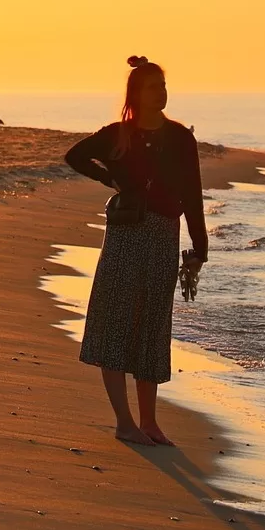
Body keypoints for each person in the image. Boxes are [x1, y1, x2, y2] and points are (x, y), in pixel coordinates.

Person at [63, 55, 209, 445]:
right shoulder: (118, 134)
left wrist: (199, 249)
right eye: (153, 87)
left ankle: (149, 422)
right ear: (137, 94)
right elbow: (75, 156)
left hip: (164, 236)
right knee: (115, 323)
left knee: (151, 328)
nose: (161, 92)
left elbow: (193, 195)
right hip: (125, 237)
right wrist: (111, 179)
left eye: (163, 85)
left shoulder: (180, 138)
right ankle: (124, 422)